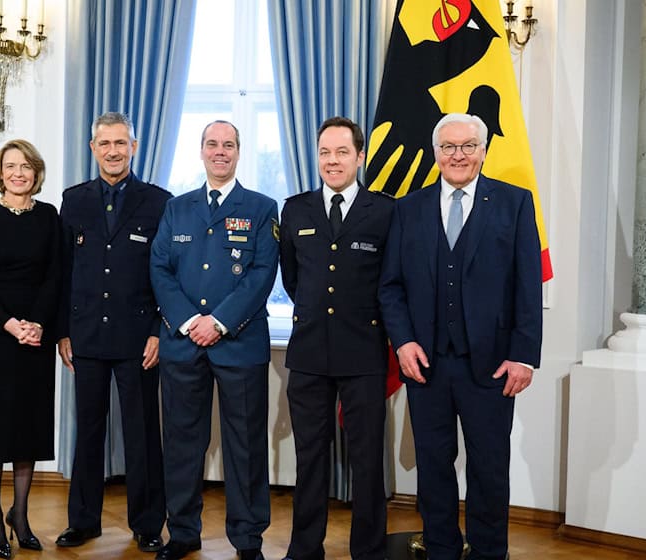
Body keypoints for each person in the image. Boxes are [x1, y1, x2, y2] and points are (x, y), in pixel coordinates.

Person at [378, 113, 543, 560]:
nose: (458, 155)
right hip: (425, 364)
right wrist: (404, 342)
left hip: (491, 365)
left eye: (468, 146)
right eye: (448, 147)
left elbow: (527, 285)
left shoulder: (515, 203)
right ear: (435, 154)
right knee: (433, 467)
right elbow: (390, 285)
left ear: (484, 151)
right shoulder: (408, 208)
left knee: (489, 468)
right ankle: (441, 549)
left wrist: (523, 356)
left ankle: (490, 552)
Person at [149, 120, 280, 560]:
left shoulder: (262, 208)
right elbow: (160, 270)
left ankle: (247, 540)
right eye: (212, 144)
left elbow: (262, 275)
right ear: (201, 151)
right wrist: (190, 321)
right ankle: (183, 533)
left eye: (228, 145)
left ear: (239, 152)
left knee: (245, 447)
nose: (220, 151)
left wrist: (219, 323)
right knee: (183, 445)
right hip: (183, 344)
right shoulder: (177, 208)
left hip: (239, 344)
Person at [278, 117, 393, 560]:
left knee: (367, 461)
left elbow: (390, 280)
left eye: (342, 152)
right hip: (308, 352)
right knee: (310, 459)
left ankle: (368, 549)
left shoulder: (382, 210)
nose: (332, 161)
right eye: (325, 152)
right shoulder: (296, 209)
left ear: (359, 156)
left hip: (363, 352)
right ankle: (305, 548)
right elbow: (293, 277)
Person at [55, 112, 171, 553]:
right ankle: (83, 521)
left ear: (134, 148)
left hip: (139, 338)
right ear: (93, 149)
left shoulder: (159, 202)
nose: (113, 151)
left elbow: (167, 273)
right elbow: (64, 271)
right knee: (87, 431)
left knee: (142, 434)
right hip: (85, 336)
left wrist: (159, 330)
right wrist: (63, 331)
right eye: (104, 144)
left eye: (121, 143)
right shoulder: (74, 200)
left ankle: (146, 524)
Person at [0, 139, 60, 559]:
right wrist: (8, 324)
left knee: (28, 425)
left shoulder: (49, 216)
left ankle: (20, 514)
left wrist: (36, 324)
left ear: (36, 172)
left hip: (35, 334)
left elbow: (56, 275)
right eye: (10, 166)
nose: (18, 173)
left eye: (25, 166)